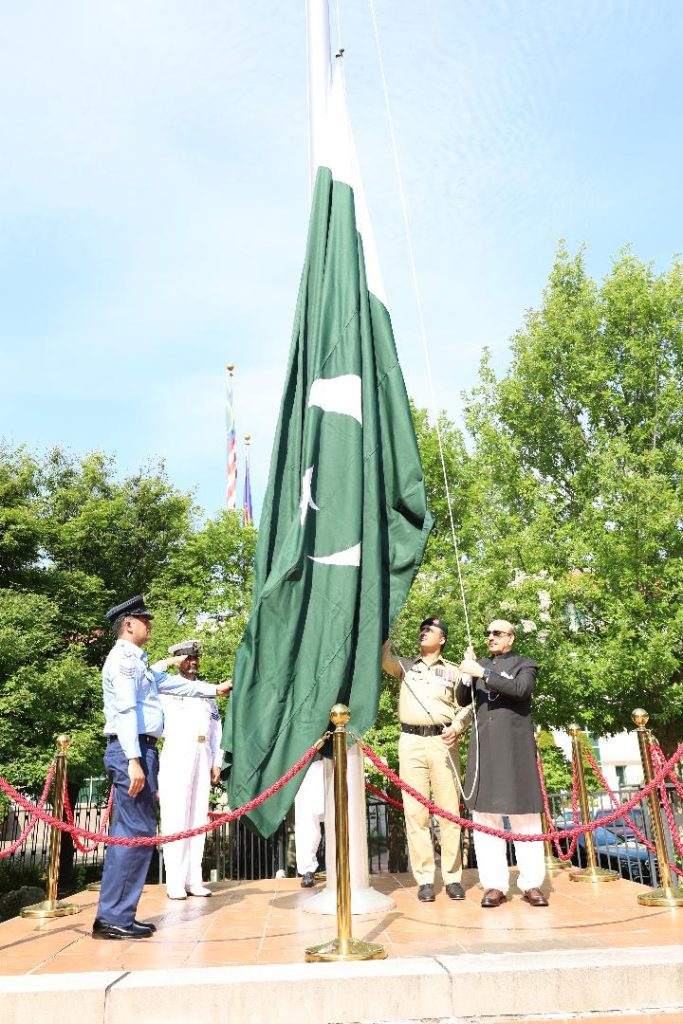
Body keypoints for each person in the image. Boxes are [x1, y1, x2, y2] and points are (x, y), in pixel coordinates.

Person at [93, 596, 232, 940]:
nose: (149, 625)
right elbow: (125, 710)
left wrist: (215, 688)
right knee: (134, 834)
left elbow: (171, 683)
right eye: (144, 620)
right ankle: (114, 917)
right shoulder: (125, 661)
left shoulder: (137, 662)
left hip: (141, 749)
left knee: (134, 833)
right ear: (128, 624)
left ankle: (117, 914)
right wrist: (133, 759)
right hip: (134, 749)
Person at [457, 619, 548, 908]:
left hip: (516, 751)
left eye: (497, 633)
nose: (490, 637)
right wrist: (465, 672)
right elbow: (462, 699)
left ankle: (531, 884)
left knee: (526, 820)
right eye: (488, 633)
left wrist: (482, 672)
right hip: (485, 751)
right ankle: (494, 885)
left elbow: (521, 689)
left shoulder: (526, 663)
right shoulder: (479, 664)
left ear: (511, 637)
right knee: (484, 819)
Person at [382, 616, 473, 902]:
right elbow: (381, 657)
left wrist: (457, 727)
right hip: (410, 742)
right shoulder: (406, 666)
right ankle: (424, 879)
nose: (423, 632)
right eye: (421, 629)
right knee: (415, 813)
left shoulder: (457, 671)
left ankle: (453, 878)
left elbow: (469, 706)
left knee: (449, 813)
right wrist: (384, 616)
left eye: (429, 630)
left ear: (442, 638)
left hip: (442, 743)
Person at [156, 640, 229, 900]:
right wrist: (169, 663)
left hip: (202, 754)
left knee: (198, 816)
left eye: (196, 658)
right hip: (177, 752)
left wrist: (216, 761)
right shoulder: (165, 687)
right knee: (176, 816)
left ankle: (193, 879)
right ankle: (175, 881)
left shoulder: (206, 691)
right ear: (178, 661)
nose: (194, 662)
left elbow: (216, 729)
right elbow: (148, 675)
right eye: (188, 658)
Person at [294, 754, 325, 887]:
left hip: (336, 760)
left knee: (342, 814)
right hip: (306, 763)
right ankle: (307, 870)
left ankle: (347, 865)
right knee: (306, 820)